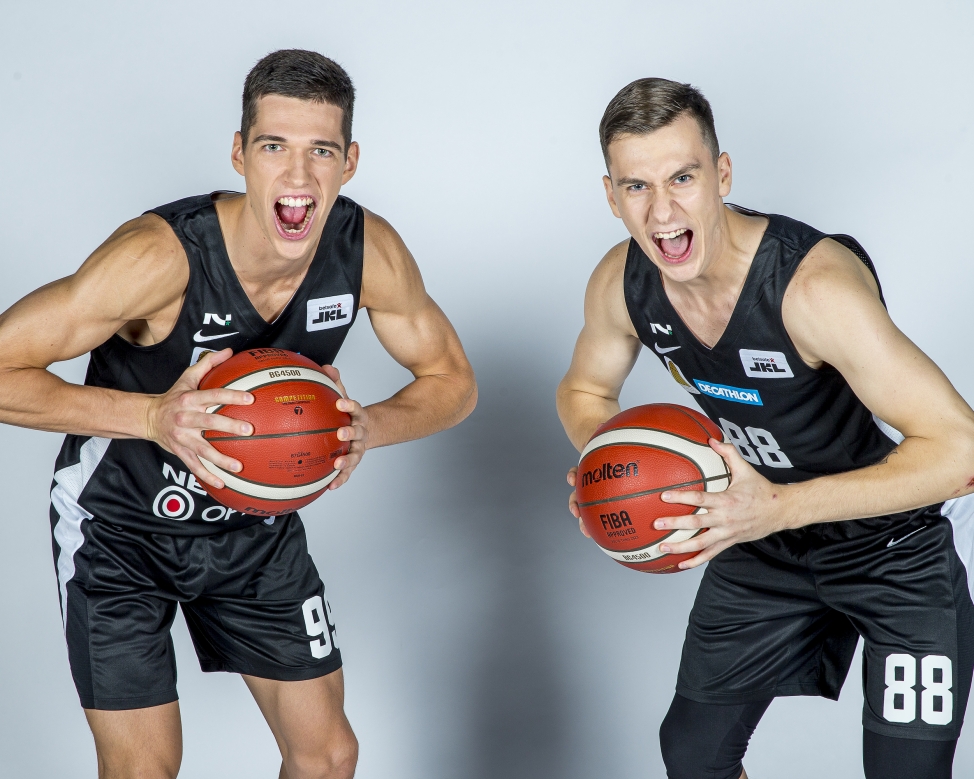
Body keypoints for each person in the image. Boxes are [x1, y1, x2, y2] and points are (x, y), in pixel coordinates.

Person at [0, 49, 476, 779]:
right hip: (119, 530)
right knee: (145, 769)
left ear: (349, 162)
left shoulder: (364, 251)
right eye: (274, 146)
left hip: (254, 533)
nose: (298, 176)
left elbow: (453, 382)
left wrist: (368, 427)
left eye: (321, 151)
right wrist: (155, 418)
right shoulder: (160, 258)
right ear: (239, 154)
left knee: (327, 756)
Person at [556, 77, 974, 779]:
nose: (662, 212)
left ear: (722, 175)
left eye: (682, 177)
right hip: (765, 540)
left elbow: (961, 451)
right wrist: (611, 461)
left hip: (895, 544)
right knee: (693, 756)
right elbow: (584, 390)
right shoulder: (622, 284)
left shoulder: (813, 290)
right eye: (636, 186)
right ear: (610, 195)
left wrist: (777, 505)